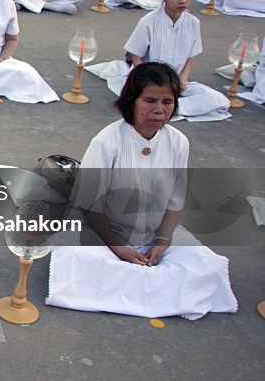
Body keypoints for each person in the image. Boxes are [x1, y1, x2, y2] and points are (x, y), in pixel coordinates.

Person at [46, 62, 238, 320]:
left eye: (167, 102)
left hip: (155, 230)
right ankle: (150, 292)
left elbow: (175, 199)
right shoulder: (107, 141)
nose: (159, 110)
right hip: (104, 232)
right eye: (150, 100)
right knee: (76, 262)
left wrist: (162, 242)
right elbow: (89, 205)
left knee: (209, 267)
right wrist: (118, 247)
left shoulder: (178, 142)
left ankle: (141, 288)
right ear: (131, 101)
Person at [88, 0, 231, 122]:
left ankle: (170, 108)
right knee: (149, 98)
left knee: (220, 100)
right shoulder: (149, 21)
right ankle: (165, 107)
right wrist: (147, 82)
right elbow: (137, 57)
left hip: (175, 81)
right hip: (149, 80)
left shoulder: (193, 22)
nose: (182, 1)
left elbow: (190, 57)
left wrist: (182, 80)